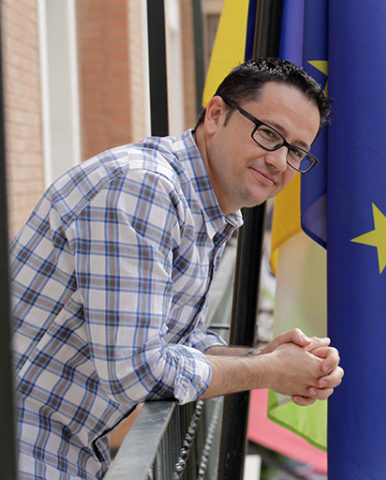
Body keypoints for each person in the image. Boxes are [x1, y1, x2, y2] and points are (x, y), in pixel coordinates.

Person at [10, 58, 343, 479]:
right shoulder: (144, 188)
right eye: (269, 134)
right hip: (23, 443)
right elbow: (137, 371)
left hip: (62, 446)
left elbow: (177, 341)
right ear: (217, 115)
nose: (279, 161)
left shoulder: (205, 205)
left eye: (296, 150)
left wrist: (265, 356)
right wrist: (269, 371)